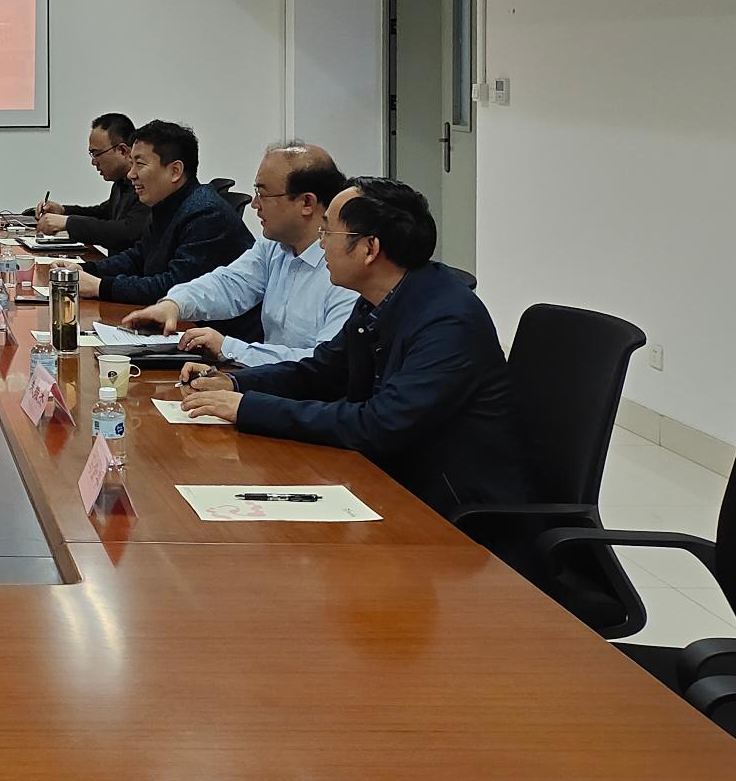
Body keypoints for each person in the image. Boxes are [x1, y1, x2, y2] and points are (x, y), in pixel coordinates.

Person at [179, 177, 530, 515]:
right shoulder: (378, 300)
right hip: (389, 482)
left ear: (369, 249)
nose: (320, 245)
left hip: (453, 514)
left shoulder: (448, 321)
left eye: (327, 232)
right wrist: (235, 383)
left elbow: (379, 425)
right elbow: (322, 371)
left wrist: (249, 409)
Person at [122, 142, 358, 368]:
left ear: (306, 202)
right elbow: (229, 283)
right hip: (266, 379)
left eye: (263, 194)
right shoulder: (274, 246)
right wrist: (174, 304)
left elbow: (323, 365)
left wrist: (229, 348)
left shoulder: (347, 272)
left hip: (304, 391)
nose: (255, 204)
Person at [75, 120, 252, 304]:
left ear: (175, 171)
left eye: (139, 164)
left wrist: (100, 286)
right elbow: (139, 257)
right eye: (132, 163)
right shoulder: (166, 204)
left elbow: (175, 287)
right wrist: (85, 270)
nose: (131, 174)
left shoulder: (206, 214)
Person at [31, 112, 148, 254]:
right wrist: (63, 211)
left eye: (97, 154)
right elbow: (102, 213)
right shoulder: (121, 183)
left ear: (123, 151)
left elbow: (127, 232)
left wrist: (68, 223)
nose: (94, 162)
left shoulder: (146, 188)